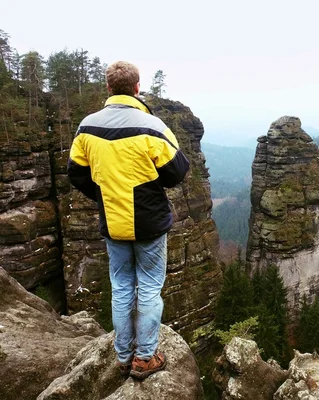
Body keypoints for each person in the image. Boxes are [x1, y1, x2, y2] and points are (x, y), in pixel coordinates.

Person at [67, 61, 190, 379]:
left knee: (121, 287)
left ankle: (123, 357)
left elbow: (76, 173)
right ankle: (145, 357)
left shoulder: (87, 128)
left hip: (113, 221)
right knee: (149, 287)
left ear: (108, 88)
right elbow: (177, 171)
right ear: (137, 88)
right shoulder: (152, 126)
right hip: (149, 222)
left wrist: (103, 193)